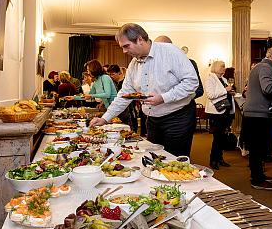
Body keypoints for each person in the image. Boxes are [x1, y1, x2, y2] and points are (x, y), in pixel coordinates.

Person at [89, 24, 199, 157]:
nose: (124, 51)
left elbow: (192, 82)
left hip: (177, 118)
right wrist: (105, 118)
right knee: (154, 159)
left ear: (140, 39)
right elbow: (124, 95)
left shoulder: (171, 52)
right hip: (152, 120)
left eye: (126, 46)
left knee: (174, 161)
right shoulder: (134, 64)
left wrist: (164, 97)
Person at [244, 46, 272, 191]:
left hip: (256, 113)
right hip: (259, 114)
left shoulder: (262, 66)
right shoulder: (265, 67)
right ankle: (257, 179)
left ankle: (259, 176)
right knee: (258, 149)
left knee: (258, 148)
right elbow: (268, 88)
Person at [205, 60, 235, 170]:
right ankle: (213, 160)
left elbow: (225, 92)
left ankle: (220, 158)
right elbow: (210, 95)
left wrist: (230, 92)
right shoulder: (210, 78)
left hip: (226, 111)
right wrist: (225, 90)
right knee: (217, 137)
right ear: (216, 67)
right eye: (222, 66)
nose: (224, 68)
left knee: (222, 137)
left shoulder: (224, 79)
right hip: (216, 112)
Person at [154, 35, 204, 99]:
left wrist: (178, 98)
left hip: (186, 107)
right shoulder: (155, 65)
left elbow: (199, 90)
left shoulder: (190, 63)